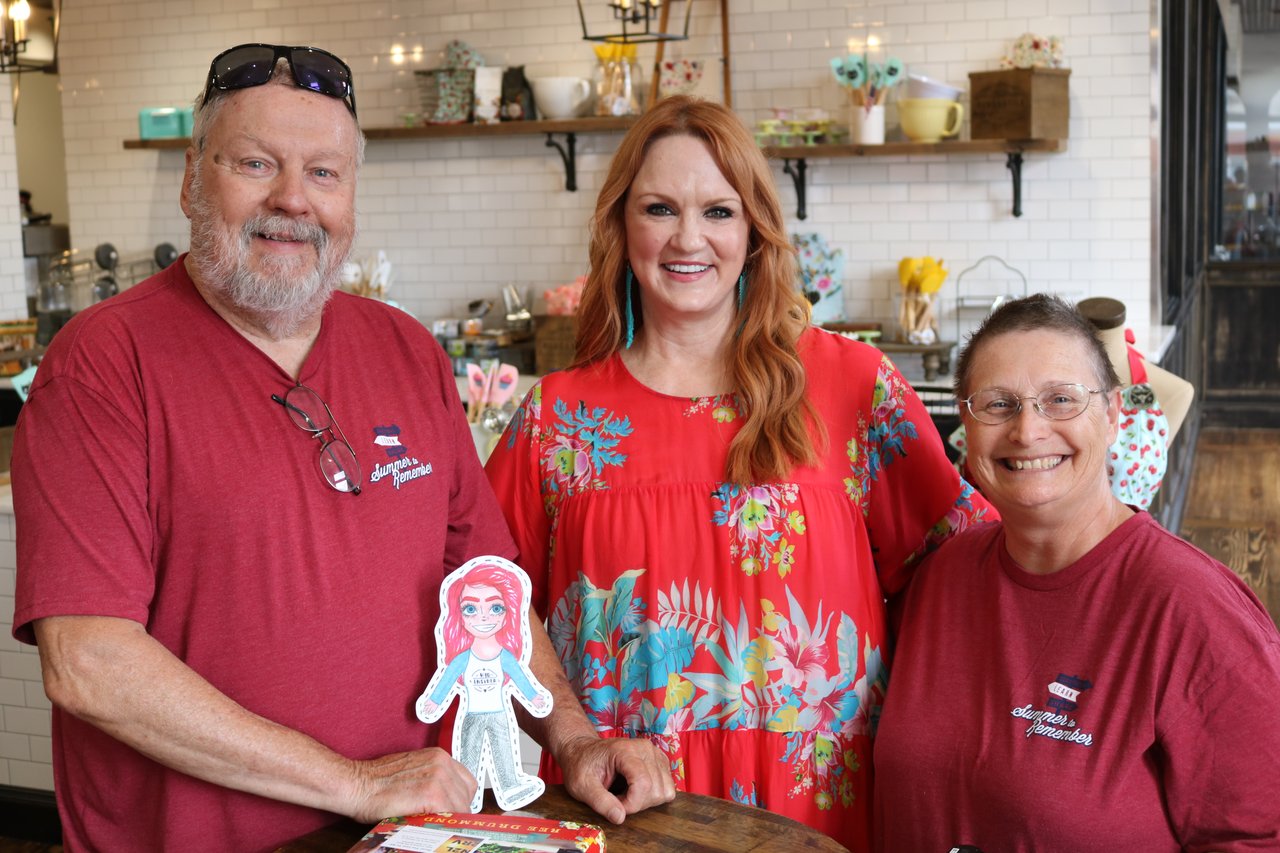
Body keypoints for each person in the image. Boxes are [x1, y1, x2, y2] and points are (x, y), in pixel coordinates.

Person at [10, 43, 672, 852]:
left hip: (412, 836)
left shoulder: (405, 350)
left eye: (323, 172)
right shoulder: (103, 363)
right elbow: (87, 661)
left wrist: (572, 737)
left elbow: (485, 584)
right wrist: (354, 782)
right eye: (256, 163)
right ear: (191, 178)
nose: (293, 198)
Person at [483, 94, 993, 850]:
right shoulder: (557, 419)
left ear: (754, 232)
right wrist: (571, 737)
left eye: (718, 211)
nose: (688, 238)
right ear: (621, 226)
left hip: (819, 808)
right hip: (630, 809)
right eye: (659, 208)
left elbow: (966, 569)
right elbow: (487, 595)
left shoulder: (853, 388)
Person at [873, 294, 1280, 851]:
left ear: (1112, 415)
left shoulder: (1195, 611)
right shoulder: (938, 580)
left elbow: (1258, 838)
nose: (1027, 431)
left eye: (1060, 400)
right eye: (998, 404)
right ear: (966, 425)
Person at [416, 558, 551, 811]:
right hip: (471, 716)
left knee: (504, 753)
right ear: (458, 615)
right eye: (470, 609)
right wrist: (433, 701)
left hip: (499, 714)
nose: (484, 617)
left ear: (508, 612)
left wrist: (534, 697)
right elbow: (446, 679)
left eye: (495, 608)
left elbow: (520, 678)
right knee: (468, 756)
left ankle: (510, 787)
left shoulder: (505, 657)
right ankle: (467, 795)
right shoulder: (462, 659)